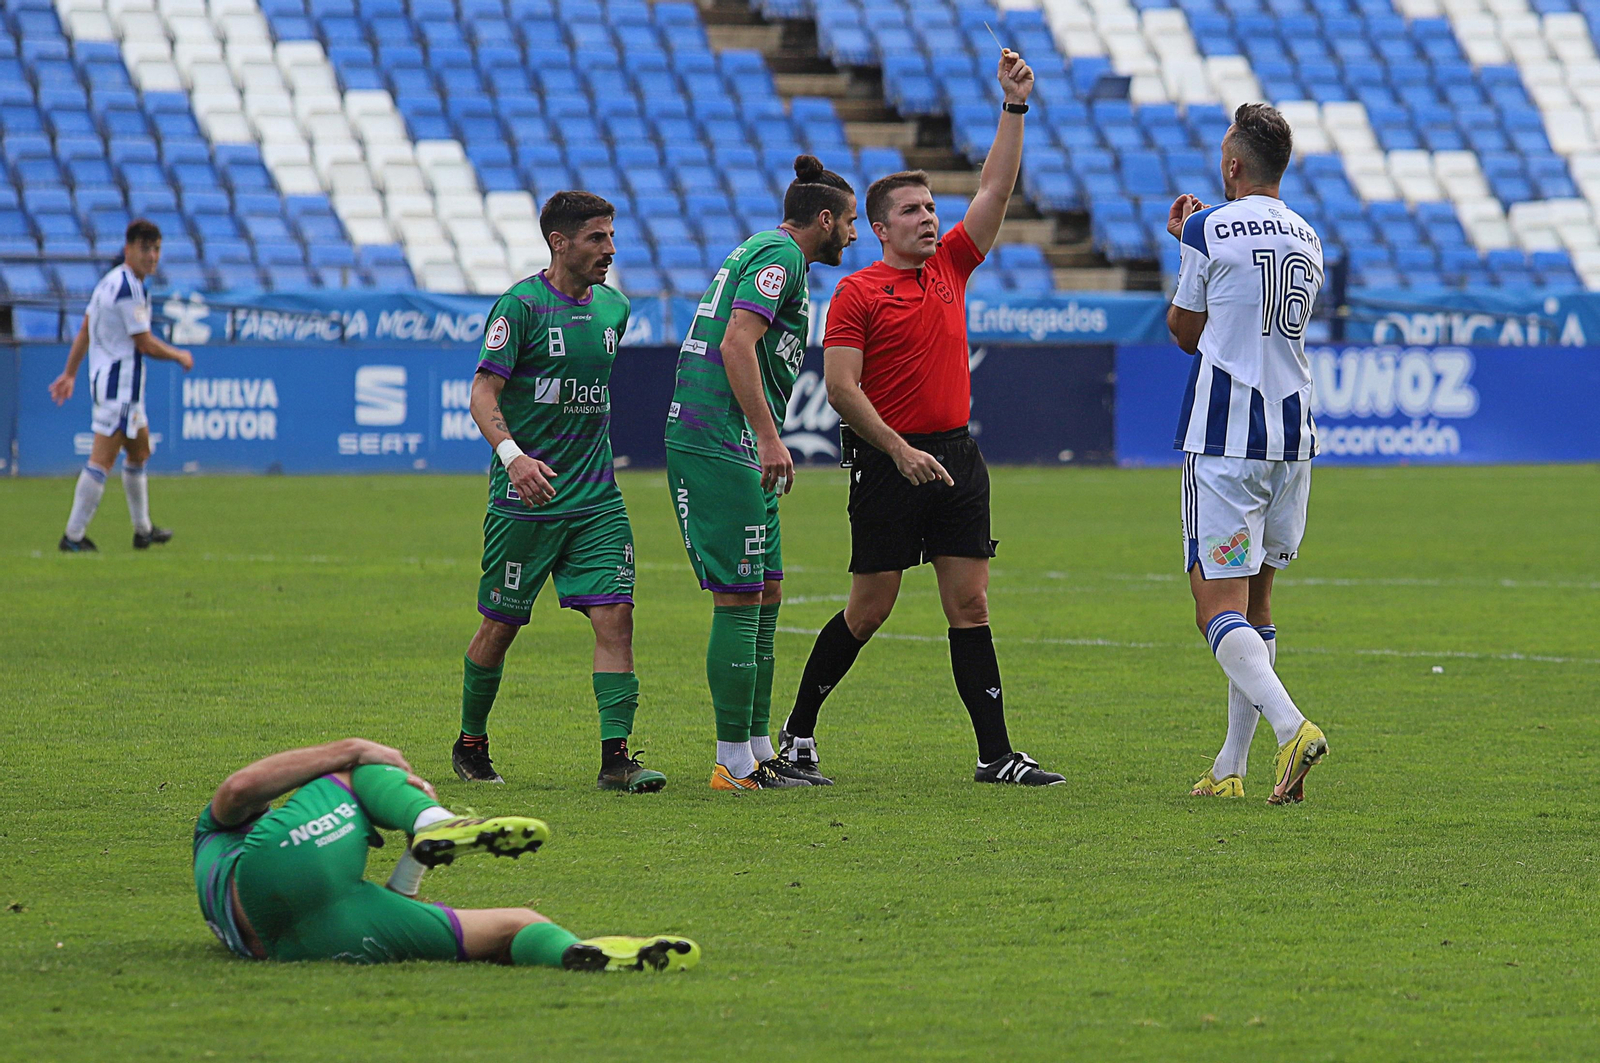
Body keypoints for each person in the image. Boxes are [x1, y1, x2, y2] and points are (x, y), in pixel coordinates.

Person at [777, 51, 1064, 787]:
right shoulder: (857, 293)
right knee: (869, 609)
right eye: (912, 211)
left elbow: (996, 187)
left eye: (933, 208)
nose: (930, 218)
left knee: (970, 602)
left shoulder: (952, 268)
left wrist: (1014, 106)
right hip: (887, 461)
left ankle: (995, 753)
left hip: (956, 459)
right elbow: (841, 390)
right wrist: (899, 451)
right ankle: (798, 733)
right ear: (878, 227)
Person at [451, 191, 664, 794]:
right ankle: (470, 741)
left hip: (596, 498)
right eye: (597, 238)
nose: (611, 249)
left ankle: (616, 758)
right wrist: (513, 458)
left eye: (612, 236)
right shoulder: (519, 308)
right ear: (559, 242)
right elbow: (482, 395)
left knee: (616, 616)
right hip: (527, 500)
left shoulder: (615, 310)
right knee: (501, 625)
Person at [663, 155, 858, 790]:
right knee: (740, 594)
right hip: (720, 438)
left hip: (739, 441)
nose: (853, 235)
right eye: (849, 222)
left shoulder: (769, 252)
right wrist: (771, 437)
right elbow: (735, 343)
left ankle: (756, 749)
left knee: (768, 592)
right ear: (822, 220)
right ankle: (730, 761)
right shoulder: (779, 259)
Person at [193, 737, 699, 970]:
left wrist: (416, 860)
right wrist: (352, 749)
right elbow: (240, 787)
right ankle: (431, 819)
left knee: (516, 927)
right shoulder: (222, 832)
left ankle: (576, 953)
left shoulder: (222, 850)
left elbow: (392, 910)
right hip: (275, 892)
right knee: (360, 774)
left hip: (301, 942)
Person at [1164, 103, 1329, 804]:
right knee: (1257, 602)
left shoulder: (1206, 226)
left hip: (1228, 440)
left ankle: (1293, 726)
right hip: (1293, 441)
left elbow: (1184, 330)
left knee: (1213, 604)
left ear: (1232, 165)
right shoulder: (1311, 236)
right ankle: (1232, 765)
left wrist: (1183, 238)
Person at [48, 219, 194, 552]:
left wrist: (70, 373)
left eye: (156, 249)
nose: (152, 256)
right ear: (128, 249)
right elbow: (143, 343)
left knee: (140, 451)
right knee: (102, 460)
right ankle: (72, 537)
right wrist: (179, 355)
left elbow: (85, 329)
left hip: (117, 388)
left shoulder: (110, 282)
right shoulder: (128, 287)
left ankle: (143, 530)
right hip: (120, 389)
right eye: (145, 249)